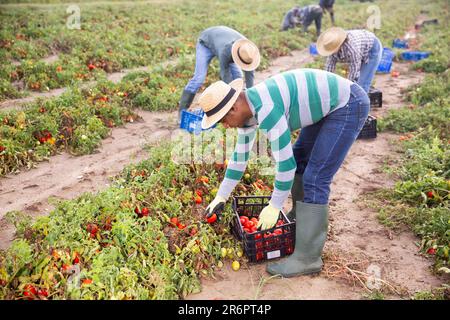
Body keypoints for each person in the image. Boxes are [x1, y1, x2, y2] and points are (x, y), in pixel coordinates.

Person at [201, 68, 369, 277]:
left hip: (348, 104)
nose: (225, 126)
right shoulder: (248, 111)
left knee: (315, 177)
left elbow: (285, 165)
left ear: (233, 108)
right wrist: (221, 195)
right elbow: (240, 157)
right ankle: (301, 220)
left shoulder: (267, 109)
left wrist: (274, 205)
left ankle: (308, 258)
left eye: (222, 121)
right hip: (329, 105)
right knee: (300, 160)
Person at [177, 26, 260, 123]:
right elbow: (225, 75)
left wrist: (249, 99)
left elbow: (250, 79)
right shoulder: (226, 50)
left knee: (238, 76)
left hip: (223, 41)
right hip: (206, 43)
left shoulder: (249, 52)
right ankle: (182, 113)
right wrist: (230, 101)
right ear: (236, 55)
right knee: (199, 78)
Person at [317, 27, 383, 93]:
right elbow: (329, 69)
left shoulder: (351, 49)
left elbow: (353, 71)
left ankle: (361, 102)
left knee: (362, 84)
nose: (331, 52)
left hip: (372, 49)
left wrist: (347, 89)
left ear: (338, 45)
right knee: (356, 82)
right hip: (360, 48)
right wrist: (325, 85)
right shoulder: (331, 46)